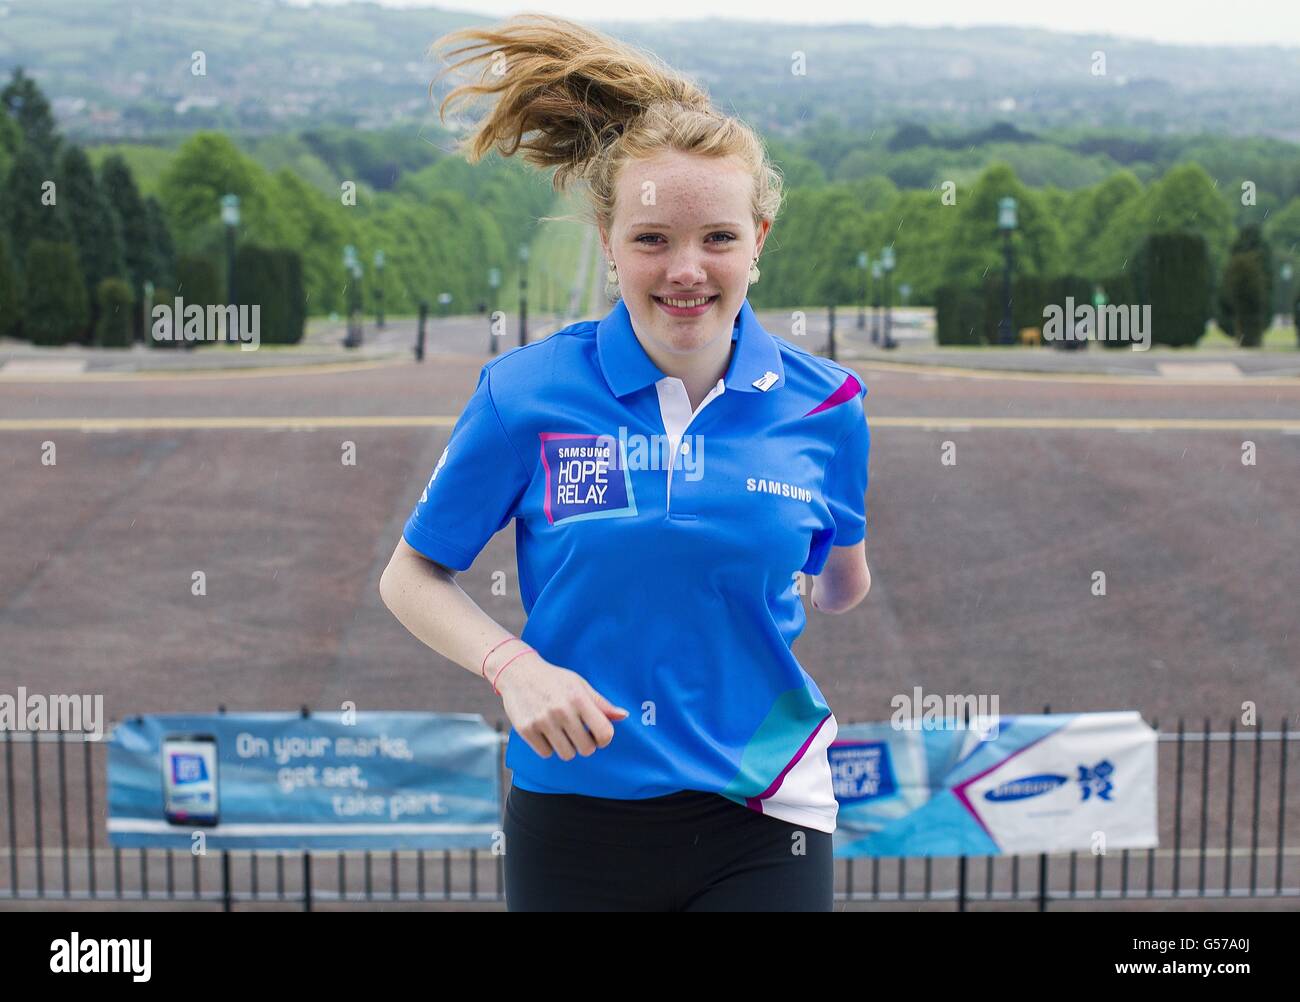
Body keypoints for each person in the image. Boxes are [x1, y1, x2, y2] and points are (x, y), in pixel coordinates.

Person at [380, 13, 872, 911]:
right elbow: (410, 576)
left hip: (766, 807)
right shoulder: (523, 395)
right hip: (574, 817)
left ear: (759, 237)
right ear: (607, 239)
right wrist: (512, 668)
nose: (687, 268)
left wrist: (839, 570)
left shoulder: (831, 406)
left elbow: (840, 580)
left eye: (718, 237)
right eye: (653, 240)